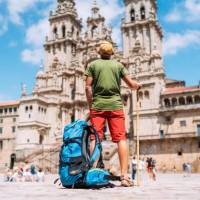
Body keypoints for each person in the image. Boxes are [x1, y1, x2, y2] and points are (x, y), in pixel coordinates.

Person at [85, 41, 140, 187]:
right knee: (121, 139)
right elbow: (131, 85)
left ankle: (93, 171)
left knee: (95, 138)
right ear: (112, 53)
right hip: (116, 105)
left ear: (99, 52)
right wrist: (137, 85)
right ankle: (124, 176)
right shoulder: (118, 65)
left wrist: (91, 106)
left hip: (98, 106)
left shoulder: (92, 65)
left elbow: (88, 88)